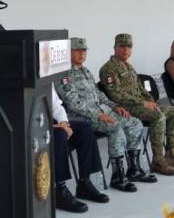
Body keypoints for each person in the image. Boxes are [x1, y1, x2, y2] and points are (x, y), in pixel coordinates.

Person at [55, 37, 155, 192]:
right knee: (115, 127)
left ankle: (134, 169)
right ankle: (118, 176)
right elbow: (72, 102)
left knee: (135, 123)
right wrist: (97, 115)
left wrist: (115, 107)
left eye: (84, 50)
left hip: (102, 112)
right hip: (82, 117)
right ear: (68, 52)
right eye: (77, 50)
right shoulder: (64, 74)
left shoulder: (85, 71)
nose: (82, 53)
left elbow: (99, 95)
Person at [99, 34, 174, 176]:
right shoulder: (109, 69)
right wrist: (144, 103)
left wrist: (151, 101)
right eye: (122, 47)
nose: (126, 50)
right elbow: (116, 95)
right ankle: (158, 160)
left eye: (129, 47)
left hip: (141, 105)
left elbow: (141, 88)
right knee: (158, 116)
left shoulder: (128, 66)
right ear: (115, 48)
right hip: (126, 108)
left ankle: (172, 154)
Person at [51, 87, 109, 213]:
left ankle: (84, 183)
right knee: (60, 134)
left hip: (55, 124)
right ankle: (59, 190)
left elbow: (56, 105)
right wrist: (57, 127)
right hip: (33, 127)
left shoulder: (44, 77)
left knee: (85, 129)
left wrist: (64, 123)